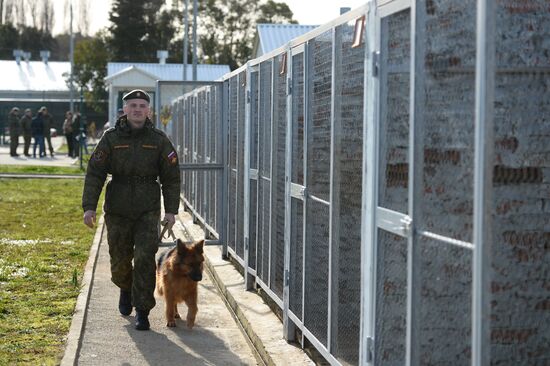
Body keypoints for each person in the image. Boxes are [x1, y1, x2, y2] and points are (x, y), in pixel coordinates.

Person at [82, 89, 181, 331]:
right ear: (125, 110)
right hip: (117, 209)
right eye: (132, 105)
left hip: (147, 208)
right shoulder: (111, 138)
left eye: (142, 105)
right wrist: (89, 207)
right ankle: (125, 288)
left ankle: (143, 311)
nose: (137, 109)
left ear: (149, 110)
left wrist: (170, 211)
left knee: (145, 259)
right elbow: (95, 172)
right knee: (120, 260)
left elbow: (171, 177)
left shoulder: (159, 140)